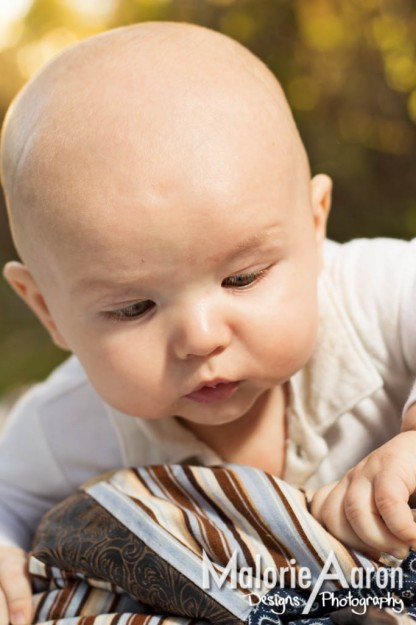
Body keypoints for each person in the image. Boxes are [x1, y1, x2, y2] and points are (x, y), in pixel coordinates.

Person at [1, 20, 416, 625]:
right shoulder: (68, 420)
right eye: (132, 308)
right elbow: (7, 496)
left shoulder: (369, 295)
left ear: (316, 221)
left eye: (242, 277)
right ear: (47, 309)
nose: (201, 337)